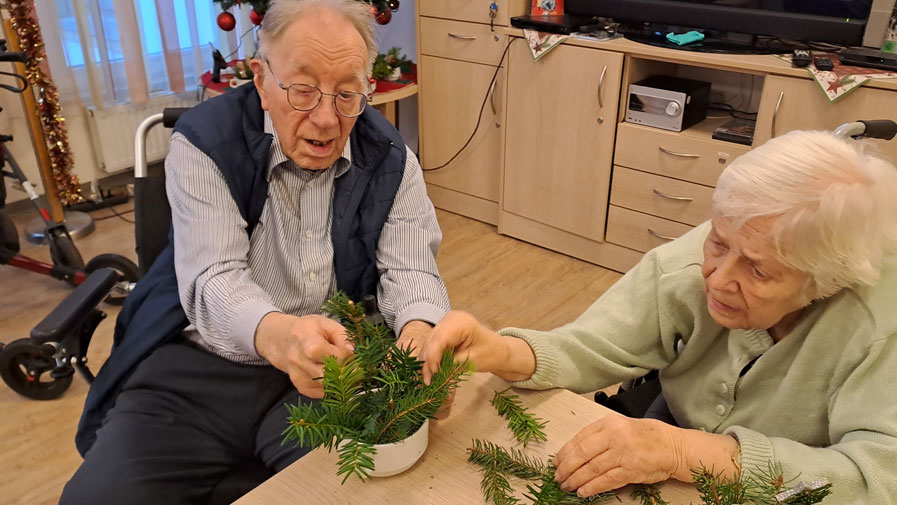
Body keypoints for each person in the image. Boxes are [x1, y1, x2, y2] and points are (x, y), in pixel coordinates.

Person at [60, 1, 449, 503]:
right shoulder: (204, 142)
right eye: (303, 91)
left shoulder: (392, 158)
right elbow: (215, 277)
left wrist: (420, 331)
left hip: (331, 373)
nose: (327, 119)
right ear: (262, 80)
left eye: (348, 94)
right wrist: (280, 335)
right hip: (197, 372)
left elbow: (412, 269)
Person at [418, 129, 897, 503]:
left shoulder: (877, 328)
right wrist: (502, 350)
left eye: (757, 269)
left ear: (824, 282)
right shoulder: (693, 261)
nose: (716, 277)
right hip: (670, 441)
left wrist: (686, 452)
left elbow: (876, 480)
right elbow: (596, 344)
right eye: (718, 241)